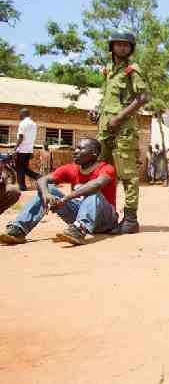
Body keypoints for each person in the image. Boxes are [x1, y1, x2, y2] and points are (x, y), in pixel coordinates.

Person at [0, 138, 118, 246]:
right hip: (79, 215)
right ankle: (18, 229)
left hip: (105, 220)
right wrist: (46, 194)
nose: (75, 151)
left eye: (80, 148)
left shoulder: (106, 168)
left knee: (93, 192)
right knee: (48, 189)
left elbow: (96, 184)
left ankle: (78, 229)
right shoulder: (71, 168)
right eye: (75, 148)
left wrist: (67, 198)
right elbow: (42, 179)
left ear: (94, 153)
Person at [91, 31, 150, 234]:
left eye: (126, 45)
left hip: (124, 128)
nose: (122, 48)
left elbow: (143, 97)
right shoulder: (108, 71)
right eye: (118, 44)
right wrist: (99, 113)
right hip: (105, 128)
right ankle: (107, 216)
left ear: (131, 48)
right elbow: (107, 98)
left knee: (128, 175)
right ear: (112, 47)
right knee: (103, 172)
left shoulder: (132, 70)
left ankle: (131, 220)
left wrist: (119, 117)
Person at [15, 108, 40, 191]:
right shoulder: (34, 124)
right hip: (29, 150)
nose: (19, 116)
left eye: (20, 114)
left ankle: (22, 186)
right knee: (24, 168)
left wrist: (14, 149)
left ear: (23, 114)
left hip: (22, 150)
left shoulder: (22, 123)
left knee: (19, 168)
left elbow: (21, 137)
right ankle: (38, 177)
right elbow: (32, 139)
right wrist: (31, 150)